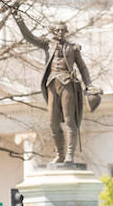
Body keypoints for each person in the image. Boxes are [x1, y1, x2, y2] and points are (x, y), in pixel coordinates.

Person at [17, 15, 94, 164]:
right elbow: (28, 36)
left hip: (67, 84)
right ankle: (60, 154)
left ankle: (70, 154)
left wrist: (88, 85)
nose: (61, 33)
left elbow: (83, 68)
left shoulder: (72, 48)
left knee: (70, 121)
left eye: (64, 30)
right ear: (53, 31)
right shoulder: (48, 45)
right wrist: (18, 19)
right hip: (52, 84)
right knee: (53, 122)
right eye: (58, 30)